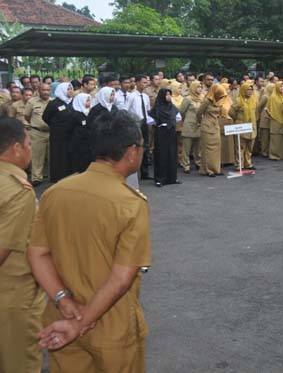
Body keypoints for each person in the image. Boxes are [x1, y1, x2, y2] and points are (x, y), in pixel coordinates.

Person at [27, 111, 151, 372]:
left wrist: (63, 301)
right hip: (110, 323)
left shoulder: (56, 192)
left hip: (63, 315)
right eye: (141, 146)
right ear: (131, 151)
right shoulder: (130, 203)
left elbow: (37, 253)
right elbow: (120, 279)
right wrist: (81, 323)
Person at [0, 117, 44, 373]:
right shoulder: (18, 191)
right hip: (13, 299)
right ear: (17, 148)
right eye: (28, 143)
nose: (30, 148)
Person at [43, 82, 75, 182]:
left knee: (69, 156)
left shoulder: (74, 102)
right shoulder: (54, 103)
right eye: (68, 89)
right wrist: (56, 126)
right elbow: (45, 117)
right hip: (58, 136)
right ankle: (58, 178)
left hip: (71, 135)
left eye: (71, 89)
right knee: (58, 156)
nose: (71, 91)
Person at [150, 89, 181, 187]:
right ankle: (160, 179)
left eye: (169, 94)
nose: (168, 96)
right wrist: (160, 123)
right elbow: (151, 120)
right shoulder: (157, 108)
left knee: (172, 154)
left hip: (171, 132)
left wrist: (170, 122)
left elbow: (178, 117)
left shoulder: (172, 107)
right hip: (161, 133)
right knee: (161, 155)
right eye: (166, 94)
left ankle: (172, 178)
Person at [124, 75, 153, 180]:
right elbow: (125, 110)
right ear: (136, 83)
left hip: (145, 123)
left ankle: (145, 172)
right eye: (143, 82)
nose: (145, 84)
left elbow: (147, 110)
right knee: (136, 146)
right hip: (136, 123)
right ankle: (133, 173)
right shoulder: (131, 96)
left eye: (146, 82)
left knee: (145, 147)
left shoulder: (145, 97)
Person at [24, 83, 51, 186]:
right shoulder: (32, 102)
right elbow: (27, 116)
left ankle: (52, 175)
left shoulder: (53, 102)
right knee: (37, 156)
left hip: (51, 133)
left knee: (52, 156)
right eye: (43, 90)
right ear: (39, 90)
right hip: (37, 133)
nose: (46, 92)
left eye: (48, 90)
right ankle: (37, 178)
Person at [197, 84, 226, 177]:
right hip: (206, 126)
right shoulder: (206, 101)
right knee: (207, 149)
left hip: (215, 126)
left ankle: (216, 168)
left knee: (217, 148)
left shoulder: (219, 101)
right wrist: (201, 122)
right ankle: (207, 170)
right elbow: (199, 113)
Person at [230, 81, 258, 170]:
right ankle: (239, 164)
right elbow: (231, 112)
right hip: (241, 125)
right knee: (240, 147)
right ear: (243, 90)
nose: (250, 91)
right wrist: (238, 119)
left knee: (250, 146)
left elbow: (255, 112)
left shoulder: (253, 100)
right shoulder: (239, 100)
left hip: (251, 126)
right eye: (248, 89)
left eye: (251, 89)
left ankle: (248, 163)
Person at [179, 80, 203, 174]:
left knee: (198, 146)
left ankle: (198, 162)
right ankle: (186, 165)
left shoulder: (202, 98)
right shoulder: (188, 99)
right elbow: (182, 111)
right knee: (186, 147)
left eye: (200, 87)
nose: (199, 89)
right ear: (193, 88)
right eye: (197, 87)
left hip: (199, 124)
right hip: (189, 124)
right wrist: (185, 120)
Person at [69, 93, 93, 173]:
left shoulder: (88, 113)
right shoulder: (75, 114)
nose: (89, 103)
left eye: (89, 100)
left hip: (87, 145)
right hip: (77, 146)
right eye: (87, 101)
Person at [257, 83, 274, 158]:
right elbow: (259, 107)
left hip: (271, 117)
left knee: (269, 135)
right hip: (265, 117)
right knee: (265, 136)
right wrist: (262, 113)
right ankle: (264, 151)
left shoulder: (273, 96)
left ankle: (268, 150)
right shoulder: (265, 96)